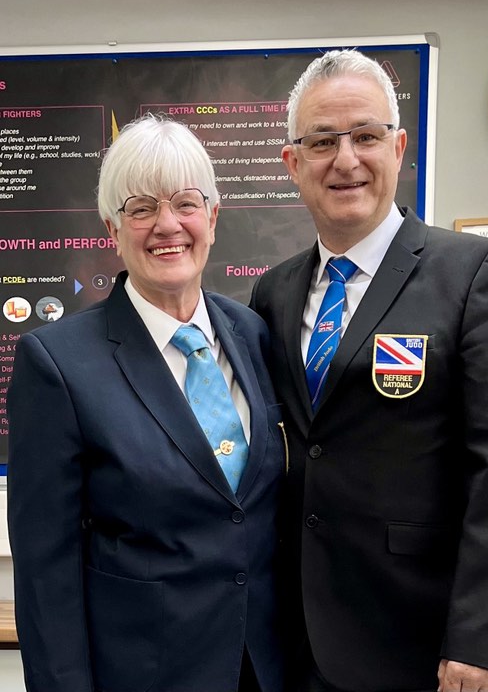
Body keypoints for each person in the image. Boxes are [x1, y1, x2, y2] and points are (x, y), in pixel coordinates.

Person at [250, 49, 488, 692]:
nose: (346, 159)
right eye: (323, 140)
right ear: (293, 163)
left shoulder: (479, 274)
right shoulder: (272, 292)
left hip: (419, 644)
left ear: (399, 147)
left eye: (366, 136)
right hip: (292, 640)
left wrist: (480, 640)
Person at [8, 115, 285, 692]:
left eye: (186, 203)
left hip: (265, 665)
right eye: (140, 208)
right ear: (112, 228)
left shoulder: (254, 333)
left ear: (212, 216)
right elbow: (45, 573)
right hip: (143, 672)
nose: (167, 225)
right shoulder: (57, 364)